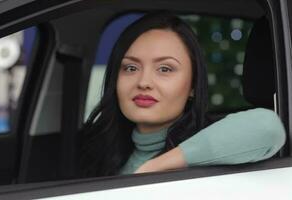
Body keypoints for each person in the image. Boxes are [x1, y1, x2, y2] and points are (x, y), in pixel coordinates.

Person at [77, 11, 286, 177]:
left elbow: (268, 126)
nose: (143, 82)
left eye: (165, 69)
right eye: (131, 68)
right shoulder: (98, 150)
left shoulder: (213, 147)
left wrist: (156, 167)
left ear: (193, 86)